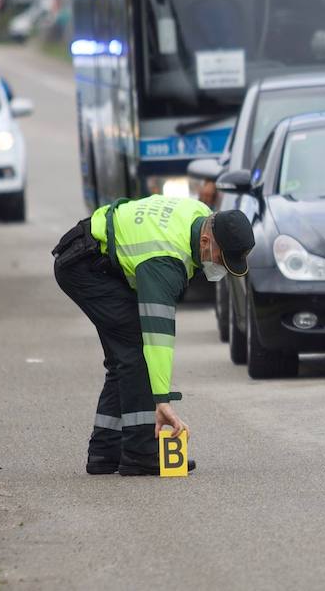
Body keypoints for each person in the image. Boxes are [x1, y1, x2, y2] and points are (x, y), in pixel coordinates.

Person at [52, 196, 255, 476]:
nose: (220, 266)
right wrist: (162, 401)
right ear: (206, 241)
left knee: (123, 356)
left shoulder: (201, 215)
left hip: (90, 255)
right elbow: (157, 338)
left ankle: (105, 451)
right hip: (84, 266)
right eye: (222, 258)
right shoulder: (165, 260)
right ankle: (140, 452)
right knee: (136, 350)